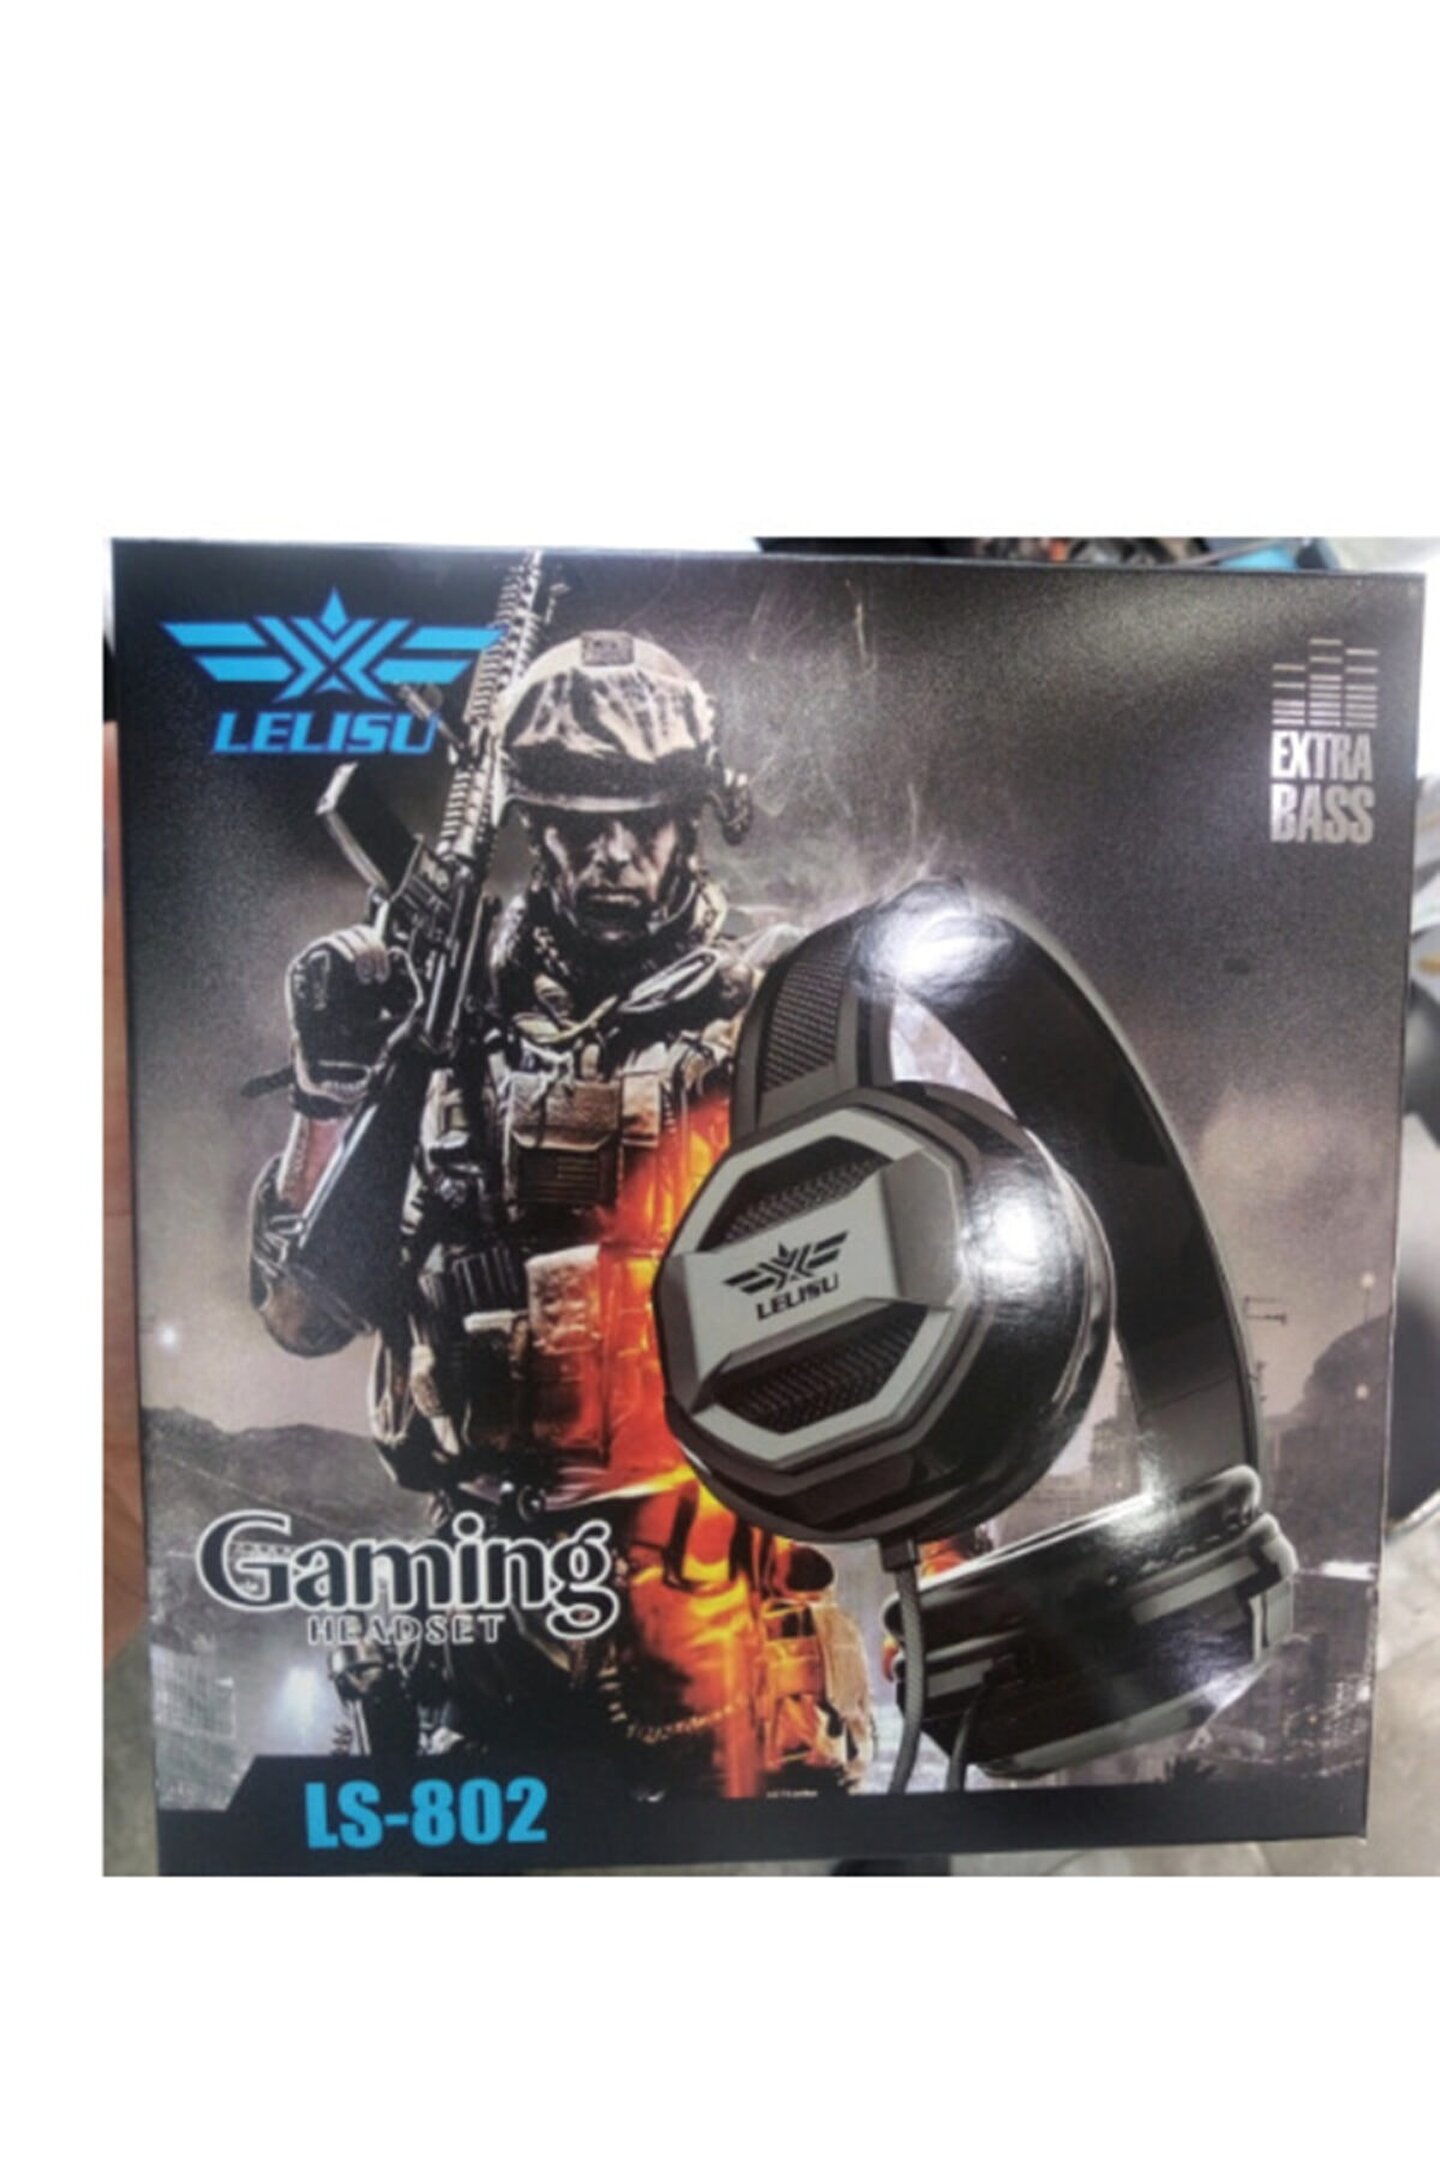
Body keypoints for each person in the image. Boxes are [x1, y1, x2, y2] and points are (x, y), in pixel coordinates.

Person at [250, 629, 873, 1796]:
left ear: (695, 814)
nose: (615, 856)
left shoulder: (777, 1012)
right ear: (532, 823)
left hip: (716, 1633)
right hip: (485, 1626)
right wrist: (329, 1089)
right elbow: (300, 1316)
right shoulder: (444, 1011)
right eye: (581, 828)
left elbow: (893, 1324)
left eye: (646, 821)